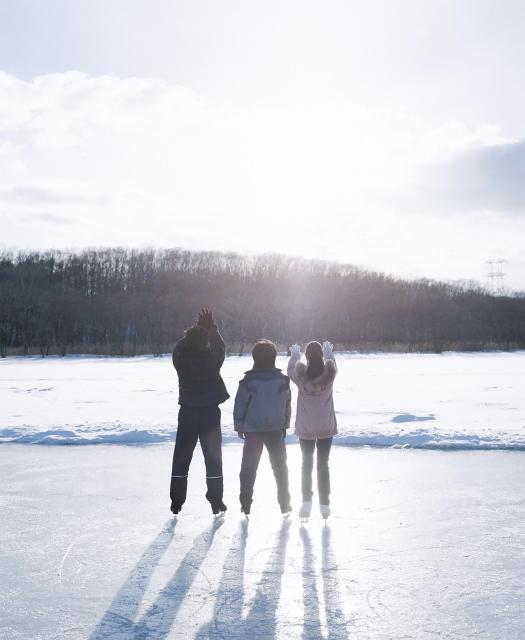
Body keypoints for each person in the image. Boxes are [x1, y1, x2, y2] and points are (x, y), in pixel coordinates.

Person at [170, 308, 230, 515]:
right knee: (213, 458)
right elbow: (220, 347)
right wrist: (210, 328)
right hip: (209, 414)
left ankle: (176, 502)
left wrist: (195, 330)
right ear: (204, 342)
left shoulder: (180, 360)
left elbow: (178, 348)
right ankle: (216, 500)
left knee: (181, 457)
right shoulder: (212, 361)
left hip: (187, 413)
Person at [233, 340, 292, 516]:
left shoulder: (248, 382)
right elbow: (287, 405)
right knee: (280, 468)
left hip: (253, 430)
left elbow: (239, 405)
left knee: (249, 469)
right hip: (275, 429)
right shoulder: (283, 381)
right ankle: (285, 504)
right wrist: (285, 424)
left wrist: (239, 425)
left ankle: (245, 504)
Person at [287, 340, 337, 519]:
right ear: (322, 356)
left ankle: (306, 504)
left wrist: (294, 356)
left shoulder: (301, 378)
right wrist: (329, 353)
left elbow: (290, 370)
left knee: (306, 464)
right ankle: (324, 505)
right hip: (325, 427)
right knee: (323, 464)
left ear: (306, 356)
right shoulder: (329, 375)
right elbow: (333, 364)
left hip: (306, 428)